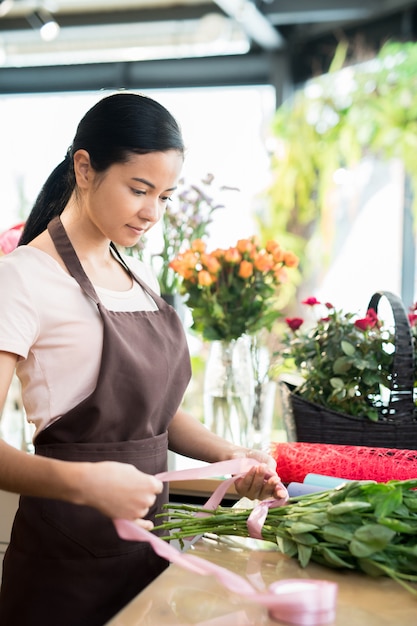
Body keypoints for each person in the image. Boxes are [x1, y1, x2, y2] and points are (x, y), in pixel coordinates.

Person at [0, 92, 285, 626]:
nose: (152, 212)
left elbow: (156, 413)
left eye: (166, 196)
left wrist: (233, 455)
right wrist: (86, 483)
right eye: (139, 189)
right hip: (65, 573)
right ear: (85, 168)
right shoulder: (21, 279)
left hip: (150, 556)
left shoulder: (137, 276)